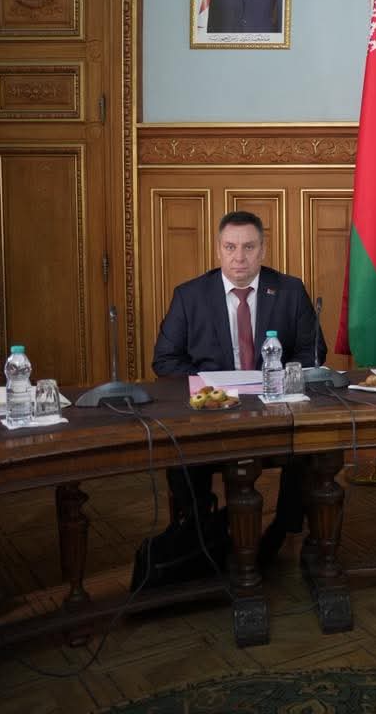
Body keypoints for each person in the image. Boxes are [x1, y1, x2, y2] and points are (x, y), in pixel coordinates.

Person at [152, 210, 322, 565]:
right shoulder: (190, 295)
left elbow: (312, 353)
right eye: (230, 247)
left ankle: (284, 528)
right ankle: (201, 531)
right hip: (213, 412)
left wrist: (279, 380)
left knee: (314, 446)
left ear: (263, 250)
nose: (239, 257)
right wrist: (211, 389)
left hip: (275, 408)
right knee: (179, 449)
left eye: (248, 247)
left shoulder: (289, 291)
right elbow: (165, 361)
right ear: (218, 249)